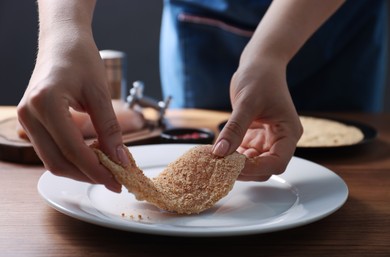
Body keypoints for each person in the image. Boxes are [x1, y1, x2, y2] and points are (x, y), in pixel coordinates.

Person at [17, 0, 387, 192]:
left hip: (333, 22)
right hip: (205, 18)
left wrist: (270, 53)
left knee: (353, 167)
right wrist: (62, 32)